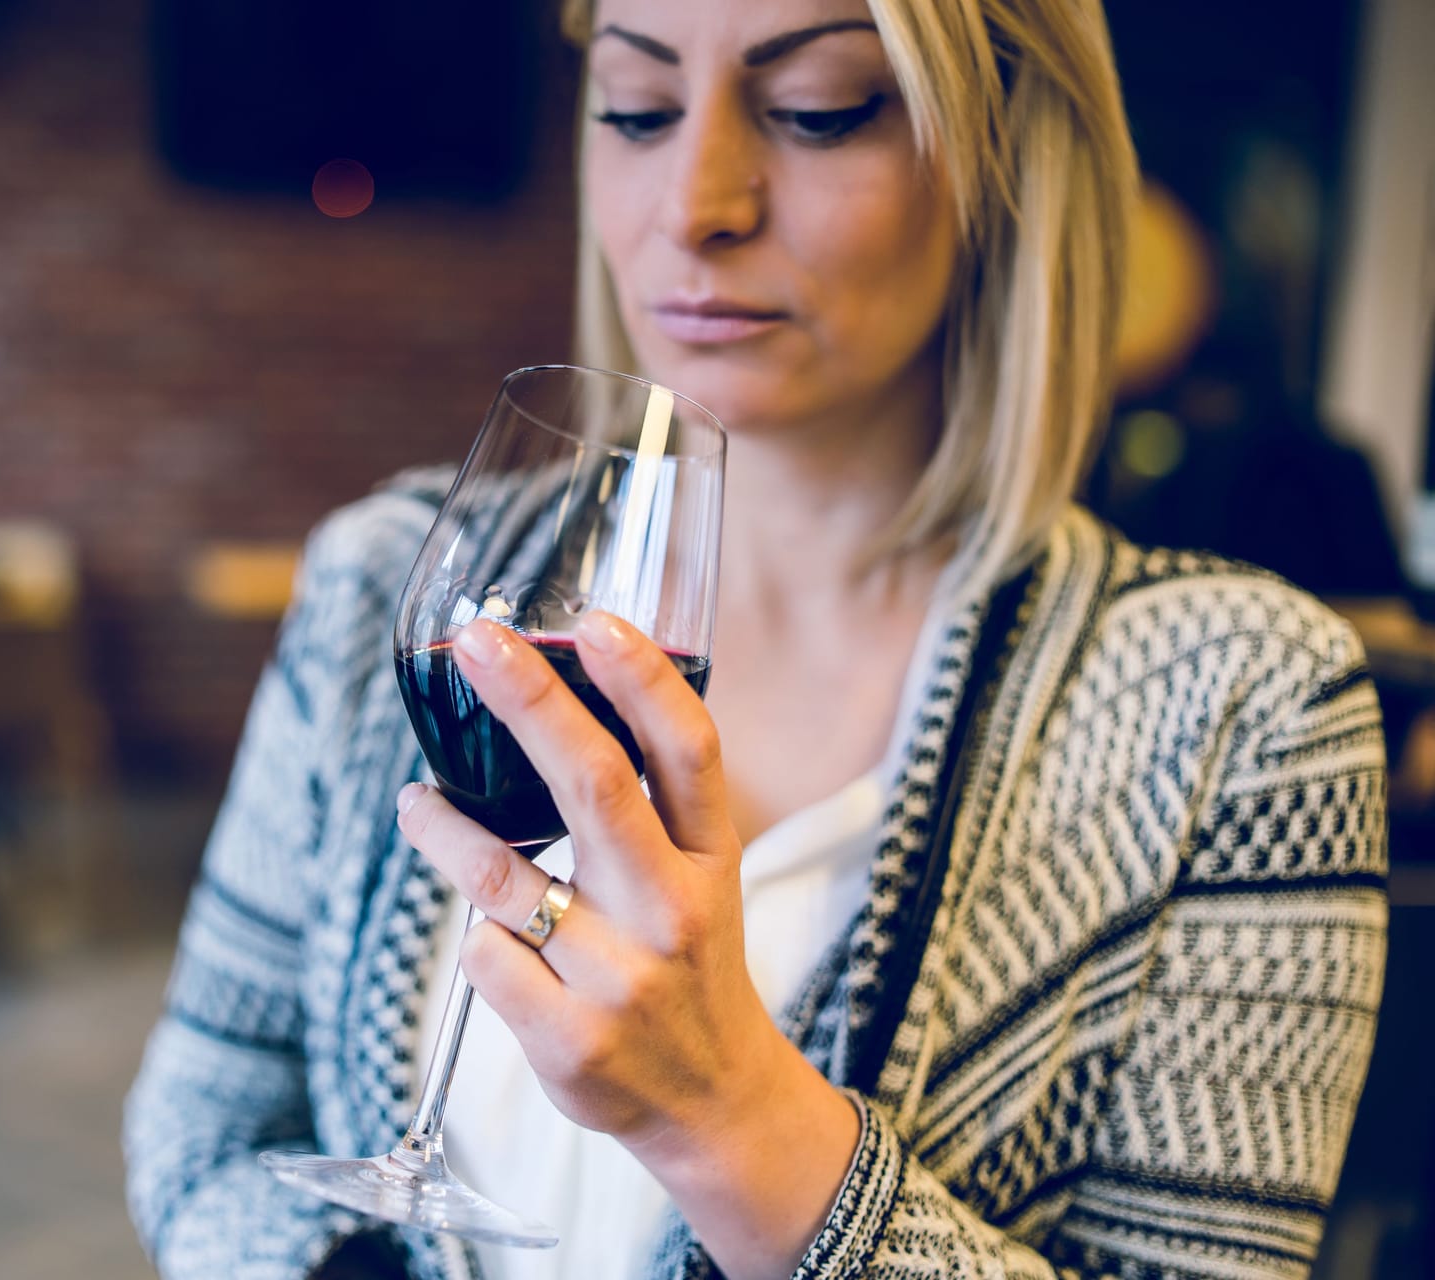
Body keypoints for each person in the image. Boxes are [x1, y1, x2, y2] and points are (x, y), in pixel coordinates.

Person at [124, 1, 1389, 1277]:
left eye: (817, 109)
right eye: (636, 106)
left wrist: (728, 1113)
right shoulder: (385, 580)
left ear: (1009, 157)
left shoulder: (1244, 705)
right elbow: (203, 1132)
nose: (697, 204)